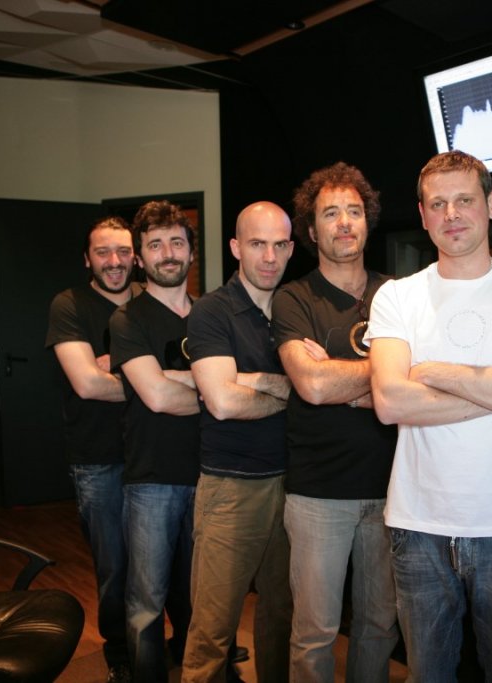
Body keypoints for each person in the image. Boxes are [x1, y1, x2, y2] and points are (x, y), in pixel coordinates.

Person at [366, 150, 492, 681]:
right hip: (417, 526)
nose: (451, 214)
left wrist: (434, 372)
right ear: (423, 215)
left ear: (491, 204)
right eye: (438, 204)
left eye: (464, 200)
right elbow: (390, 402)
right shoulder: (397, 296)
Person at [272, 162, 399, 682]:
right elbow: (313, 386)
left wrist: (343, 379)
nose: (344, 222)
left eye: (354, 211)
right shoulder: (293, 298)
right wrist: (386, 377)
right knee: (315, 633)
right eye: (330, 213)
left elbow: (422, 384)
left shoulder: (398, 296)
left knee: (379, 627)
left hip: (394, 492)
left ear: (368, 221)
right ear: (311, 229)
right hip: (319, 496)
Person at [181, 201, 296, 683]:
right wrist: (290, 390)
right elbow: (224, 402)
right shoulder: (212, 310)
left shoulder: (295, 309)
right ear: (235, 247)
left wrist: (253, 380)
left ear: (291, 249)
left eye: (279, 245)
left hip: (295, 487)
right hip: (232, 489)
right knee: (212, 632)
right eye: (257, 244)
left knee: (282, 617)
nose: (269, 257)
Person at [107, 200, 202, 682]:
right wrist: (218, 392)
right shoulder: (128, 320)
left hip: (211, 478)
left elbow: (172, 388)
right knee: (146, 603)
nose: (168, 253)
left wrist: (173, 378)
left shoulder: (211, 316)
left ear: (191, 253)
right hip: (152, 481)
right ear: (140, 259)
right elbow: (158, 397)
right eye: (156, 244)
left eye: (177, 243)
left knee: (201, 599)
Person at [45, 216, 137, 683]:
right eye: (103, 252)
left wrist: (112, 368)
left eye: (123, 251)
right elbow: (86, 384)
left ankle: (174, 645)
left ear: (136, 255)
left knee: (170, 563)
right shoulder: (70, 305)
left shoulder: (152, 302)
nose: (114, 261)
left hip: (154, 454)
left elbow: (191, 375)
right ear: (88, 259)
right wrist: (150, 380)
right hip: (99, 460)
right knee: (115, 568)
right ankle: (120, 654)